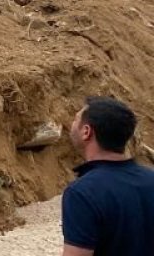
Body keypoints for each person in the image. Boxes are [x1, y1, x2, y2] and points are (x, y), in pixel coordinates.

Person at [61, 96, 154, 256]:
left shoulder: (82, 193)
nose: (72, 124)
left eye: (76, 119)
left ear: (86, 131)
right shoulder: (150, 179)